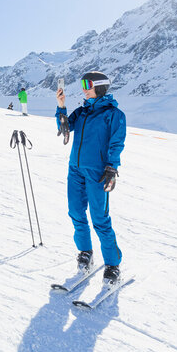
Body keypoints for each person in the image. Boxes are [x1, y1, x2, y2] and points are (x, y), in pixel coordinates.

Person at [55, 71, 125, 286]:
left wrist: (112, 168)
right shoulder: (82, 111)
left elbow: (117, 142)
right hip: (75, 169)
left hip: (98, 172)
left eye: (88, 84)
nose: (84, 88)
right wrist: (61, 106)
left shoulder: (114, 114)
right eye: (83, 84)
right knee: (75, 212)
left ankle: (113, 265)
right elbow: (64, 127)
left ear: (101, 87)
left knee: (100, 219)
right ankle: (85, 253)